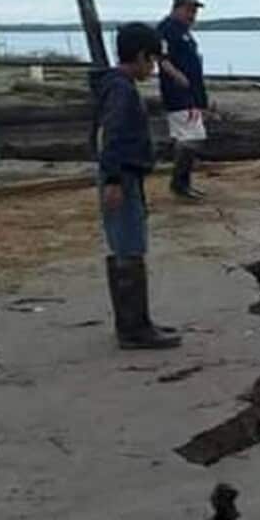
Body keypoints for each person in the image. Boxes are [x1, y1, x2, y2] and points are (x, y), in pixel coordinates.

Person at [95, 22, 181, 350]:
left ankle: (138, 321)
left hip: (126, 174)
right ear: (142, 56)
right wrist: (114, 179)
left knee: (130, 243)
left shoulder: (118, 85)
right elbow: (111, 135)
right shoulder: (120, 89)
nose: (154, 69)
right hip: (122, 175)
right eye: (153, 62)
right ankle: (132, 329)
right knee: (128, 246)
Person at [157, 0, 210, 201]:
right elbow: (160, 56)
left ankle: (183, 181)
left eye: (194, 10)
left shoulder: (184, 31)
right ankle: (179, 183)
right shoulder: (167, 29)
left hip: (191, 94)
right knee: (192, 137)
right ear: (177, 8)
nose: (192, 15)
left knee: (193, 137)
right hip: (177, 93)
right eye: (189, 10)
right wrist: (176, 75)